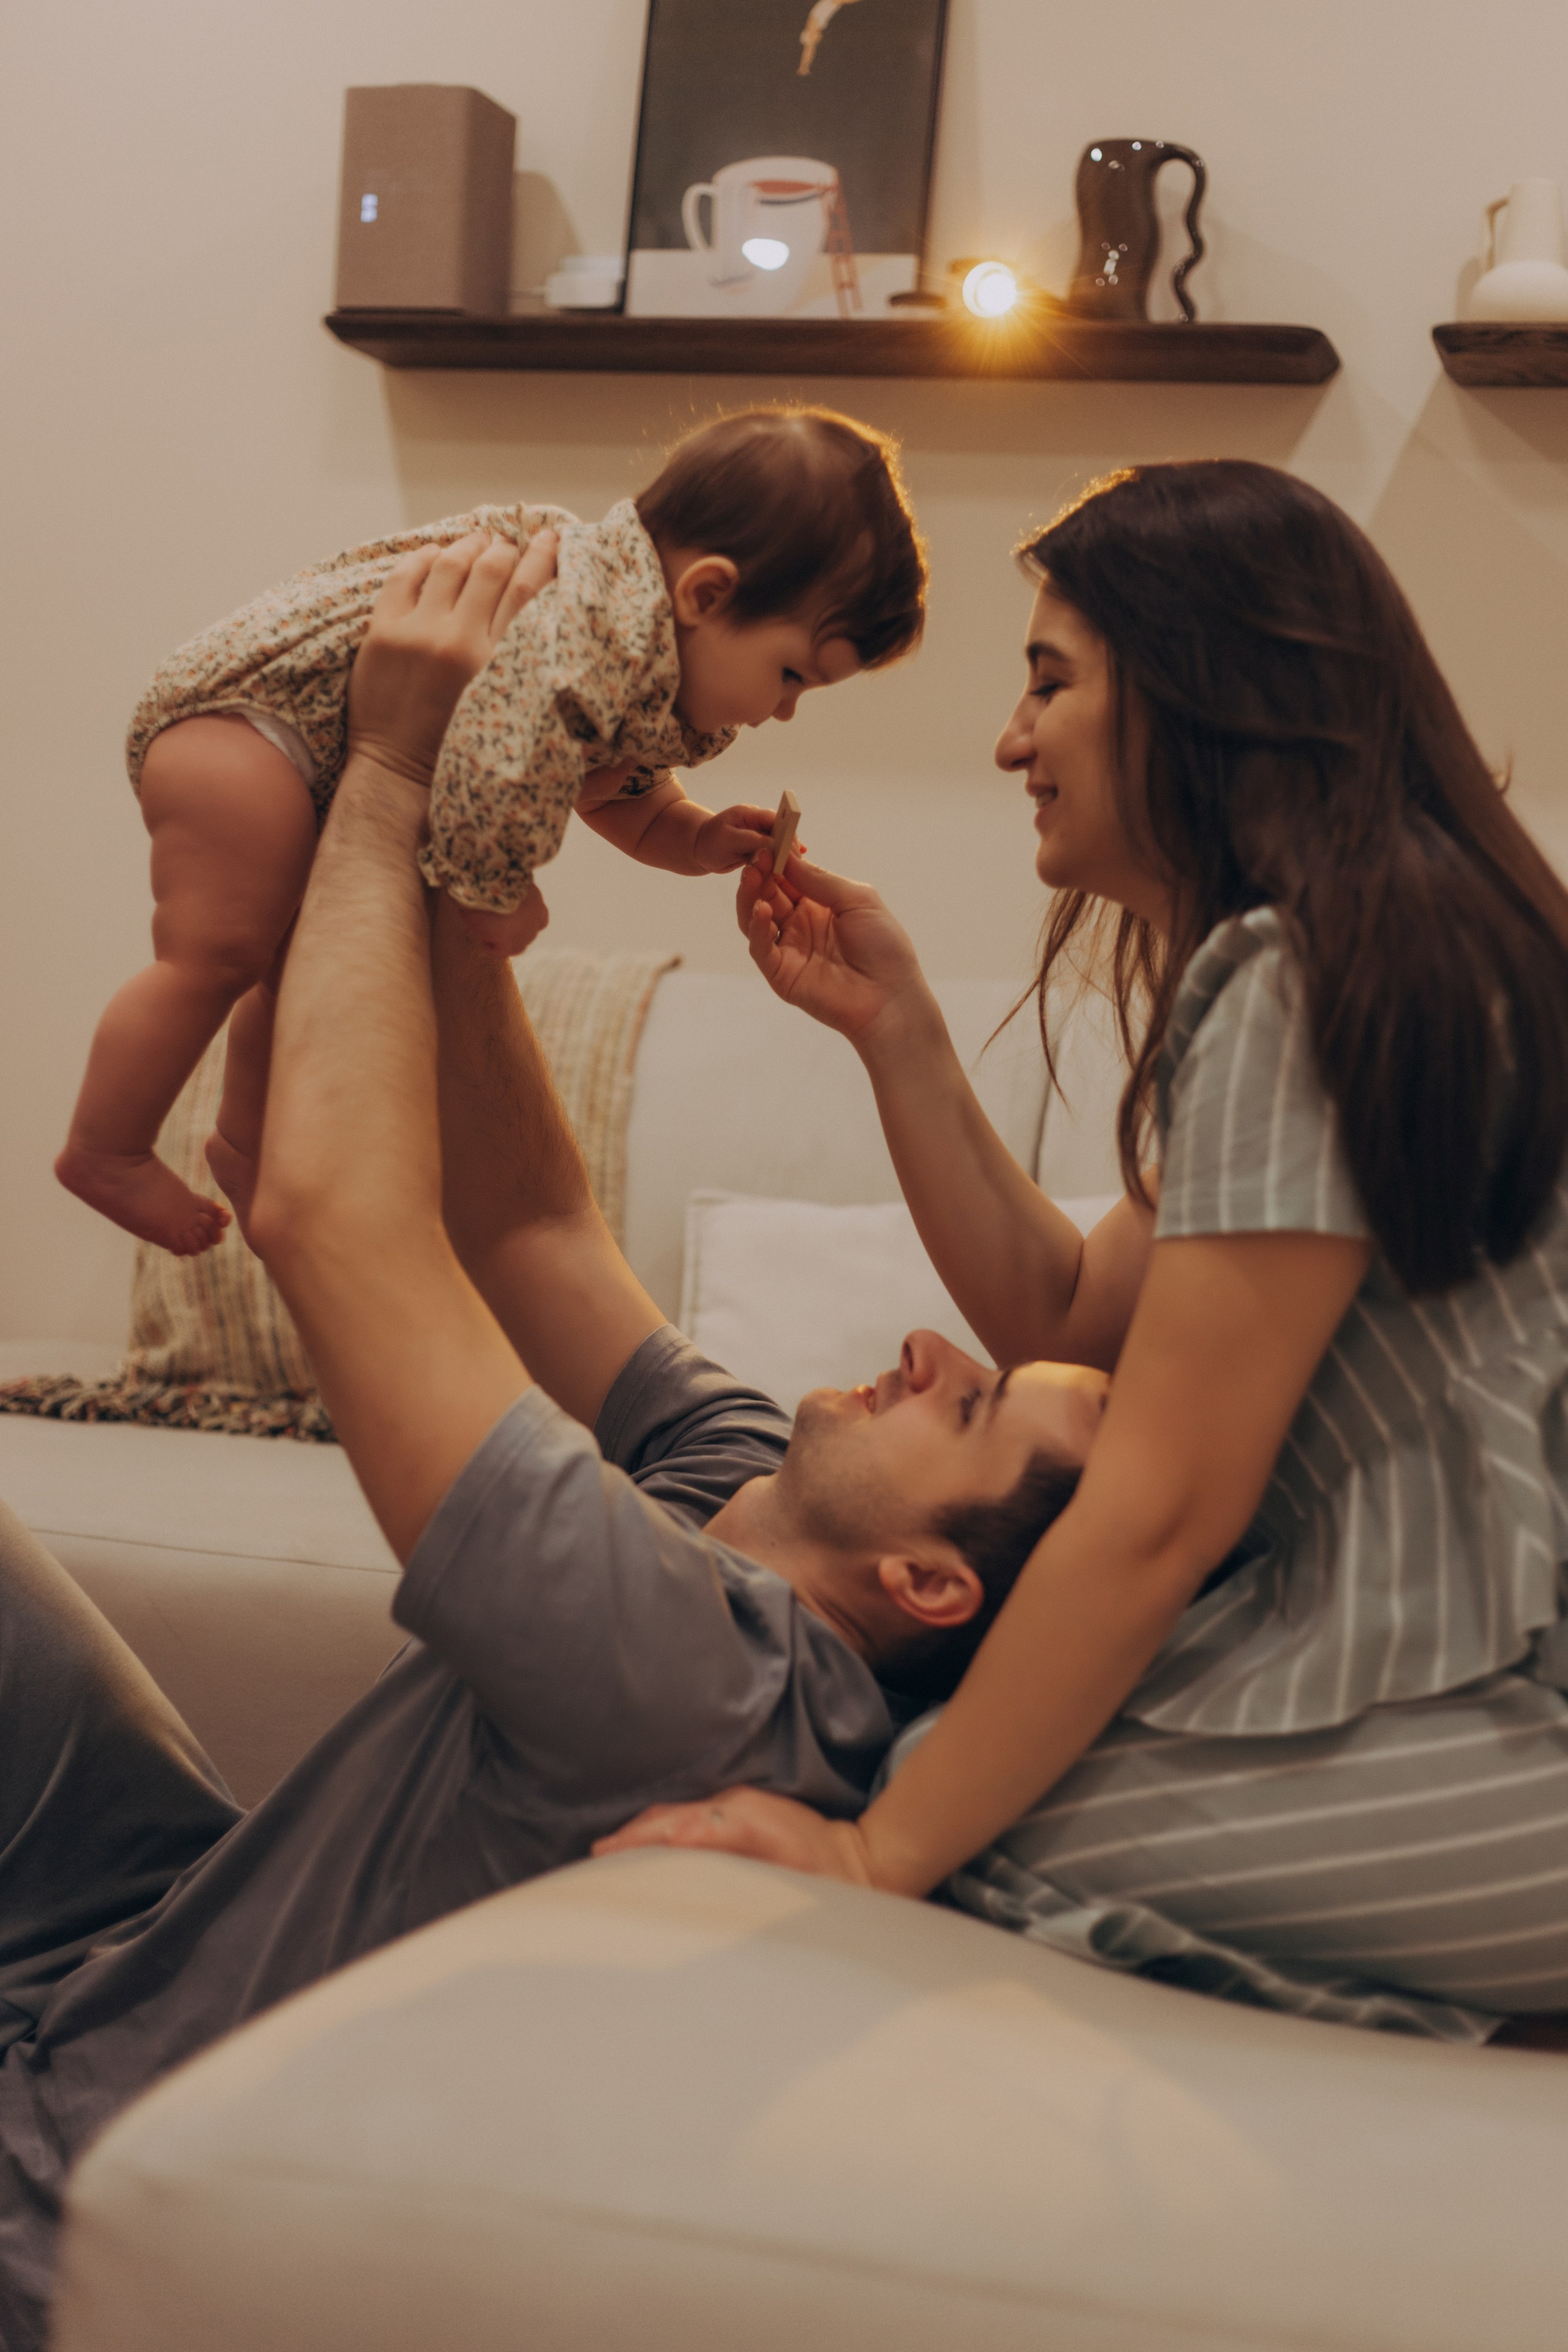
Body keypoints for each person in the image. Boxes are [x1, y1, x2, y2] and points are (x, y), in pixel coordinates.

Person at [0, 528, 1095, 2351]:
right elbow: (534, 1232)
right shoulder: (742, 1500)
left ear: (924, 1581)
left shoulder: (700, 1676)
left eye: (973, 1401)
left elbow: (333, 1214)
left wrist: (391, 758)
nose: (930, 1344)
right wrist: (463, 840)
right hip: (153, 1917)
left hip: (90, 2152)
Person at [598, 458, 1568, 2046]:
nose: (1010, 739)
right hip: (1463, 1670)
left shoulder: (1309, 975)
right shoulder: (1353, 944)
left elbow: (1163, 1507)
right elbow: (1074, 1320)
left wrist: (876, 1852)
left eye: (1050, 682)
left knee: (943, 1783)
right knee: (970, 1746)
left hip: (1521, 1697)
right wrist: (897, 1032)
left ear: (1198, 687)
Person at [56, 405, 925, 1258]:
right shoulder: (597, 623)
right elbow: (501, 759)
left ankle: (251, 1149)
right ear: (707, 593)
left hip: (299, 755)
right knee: (218, 952)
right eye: (790, 676)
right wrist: (494, 890)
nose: (785, 712)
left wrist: (692, 835)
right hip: (248, 725)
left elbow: (611, 791)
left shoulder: (644, 665)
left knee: (294, 976)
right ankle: (109, 1148)